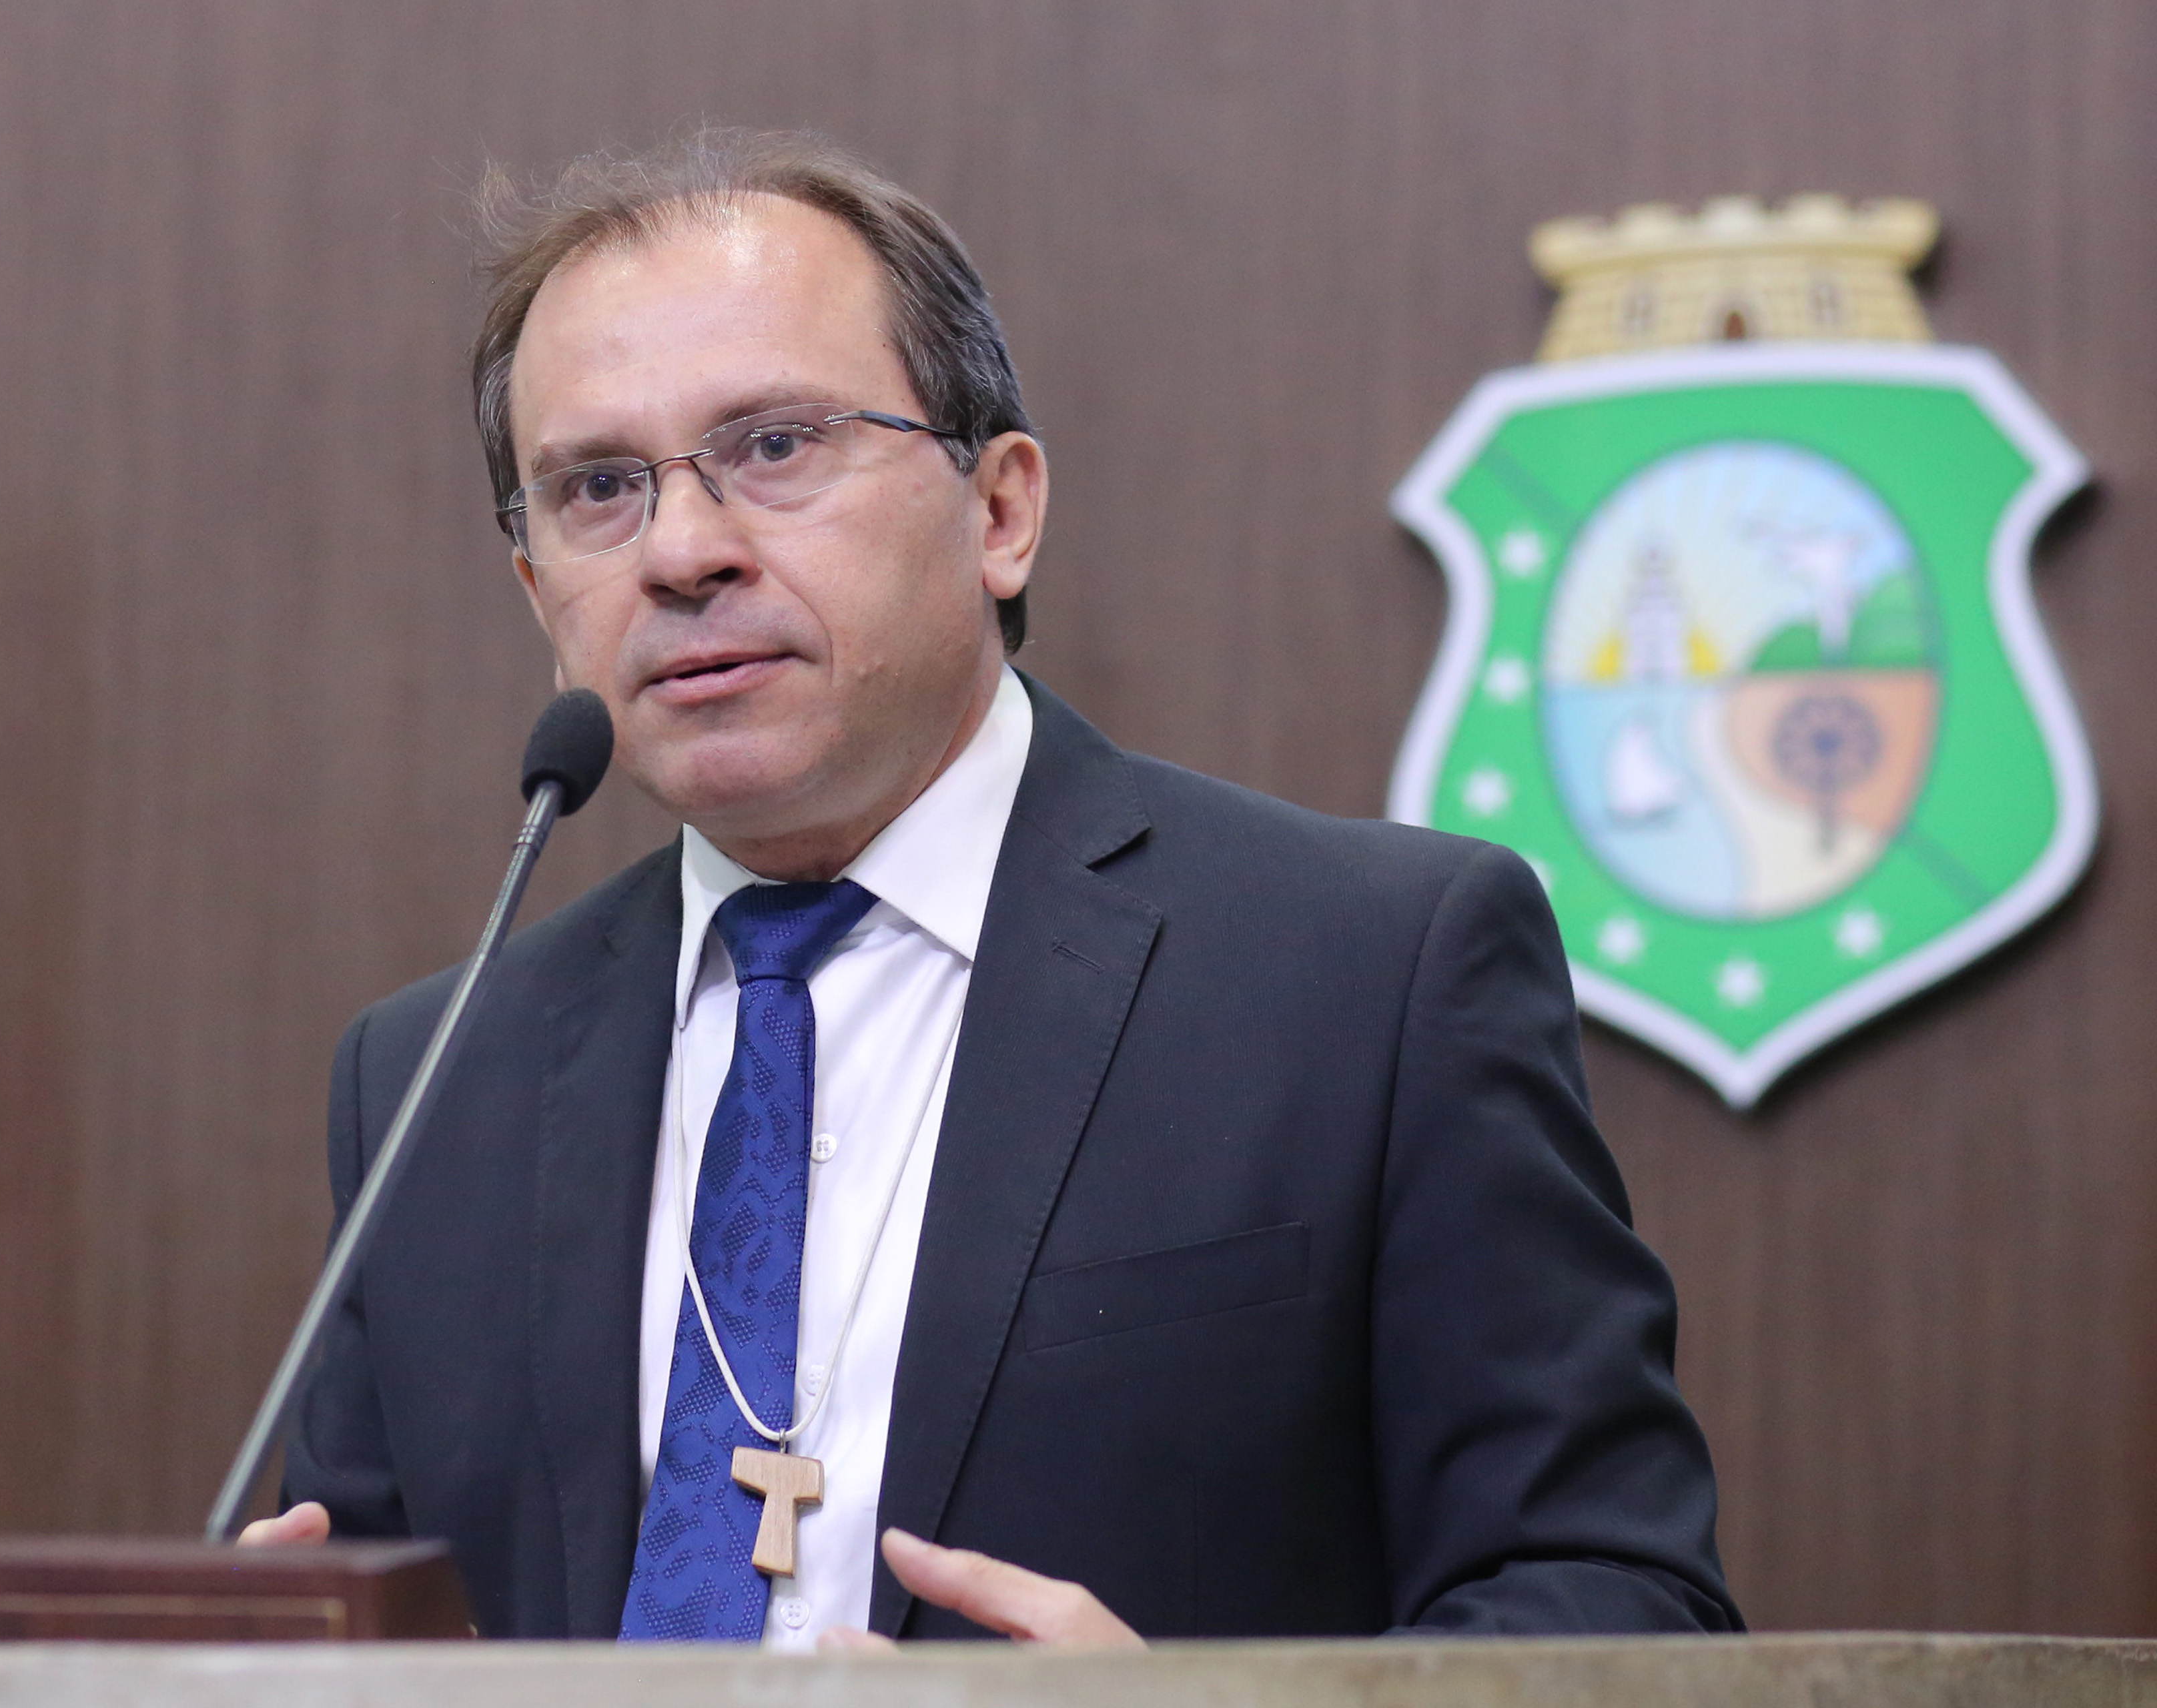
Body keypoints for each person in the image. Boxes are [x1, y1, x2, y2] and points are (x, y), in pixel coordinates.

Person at [241, 128, 1740, 1650]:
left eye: (775, 446)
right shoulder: (435, 1077)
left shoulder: (1370, 974)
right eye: (599, 488)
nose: (681, 551)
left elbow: (1624, 1608)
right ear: (538, 594)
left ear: (1001, 511)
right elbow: (375, 1609)